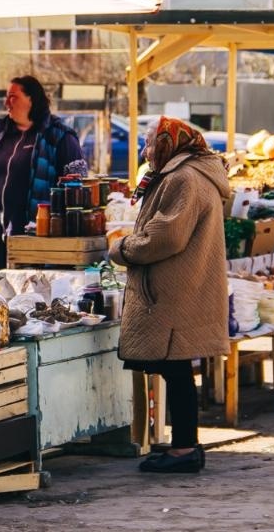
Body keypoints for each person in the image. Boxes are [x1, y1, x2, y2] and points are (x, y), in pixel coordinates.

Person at [108, 116, 230, 474]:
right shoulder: (192, 173)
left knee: (175, 369)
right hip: (183, 284)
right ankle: (183, 445)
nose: (145, 152)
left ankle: (184, 449)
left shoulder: (183, 178)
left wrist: (123, 249)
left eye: (149, 144)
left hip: (174, 287)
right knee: (175, 369)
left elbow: (167, 236)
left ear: (168, 145)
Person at [0, 75, 86, 274]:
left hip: (36, 242)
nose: (6, 103)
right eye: (7, 97)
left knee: (30, 298)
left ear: (31, 100)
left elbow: (78, 189)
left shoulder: (59, 137)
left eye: (13, 97)